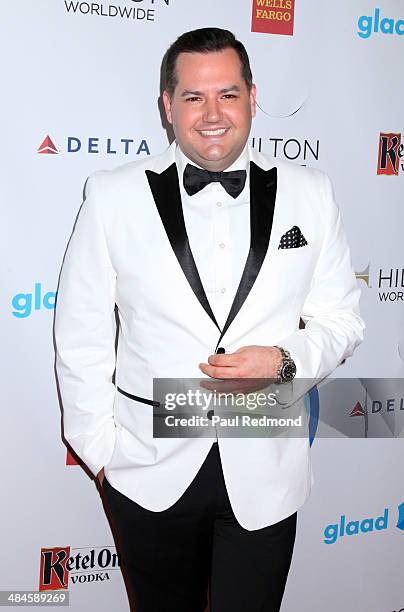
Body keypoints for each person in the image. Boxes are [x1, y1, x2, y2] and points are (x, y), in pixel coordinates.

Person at [54, 27, 365, 612]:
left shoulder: (311, 192)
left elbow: (342, 320)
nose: (213, 114)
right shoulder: (112, 196)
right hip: (148, 470)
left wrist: (286, 361)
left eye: (227, 94)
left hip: (267, 468)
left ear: (252, 95)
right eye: (194, 97)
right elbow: (81, 336)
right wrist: (101, 455)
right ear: (167, 106)